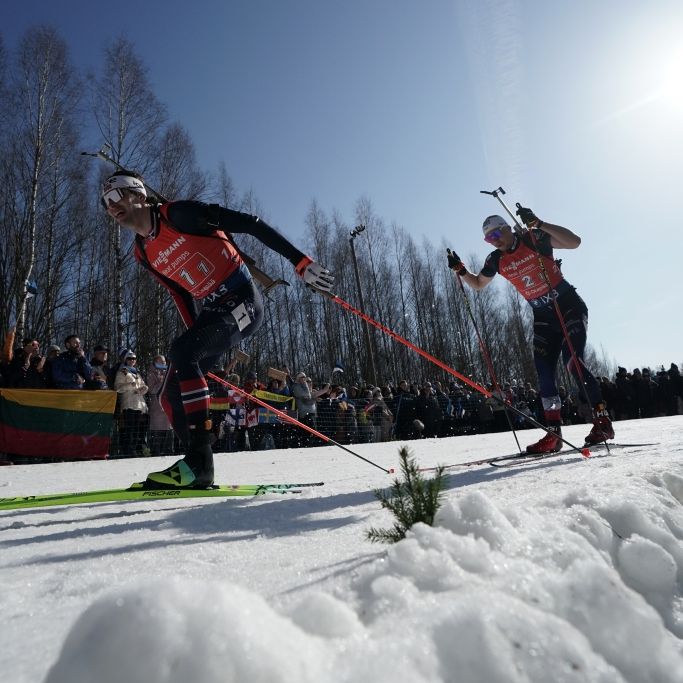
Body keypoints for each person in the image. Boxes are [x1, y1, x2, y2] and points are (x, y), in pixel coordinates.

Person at [102, 170, 334, 487]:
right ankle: (195, 464)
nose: (111, 205)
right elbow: (179, 293)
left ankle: (200, 466)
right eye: (106, 203)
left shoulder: (178, 214)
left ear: (140, 195)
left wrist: (300, 261)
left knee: (183, 353)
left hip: (243, 301)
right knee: (169, 395)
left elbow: (250, 224)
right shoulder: (142, 253)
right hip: (213, 314)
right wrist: (196, 343)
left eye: (116, 195)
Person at [447, 208, 614, 453]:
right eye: (489, 239)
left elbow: (575, 242)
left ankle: (602, 421)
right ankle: (553, 433)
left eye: (497, 234)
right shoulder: (495, 260)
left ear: (506, 228)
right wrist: (461, 270)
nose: (495, 241)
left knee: (573, 363)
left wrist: (541, 223)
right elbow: (479, 284)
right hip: (543, 317)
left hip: (567, 306)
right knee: (544, 373)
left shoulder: (533, 238)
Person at [114, 351, 150, 457]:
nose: (132, 360)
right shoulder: (122, 372)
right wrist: (130, 385)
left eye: (134, 358)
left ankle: (134, 450)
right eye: (130, 359)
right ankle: (127, 451)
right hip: (128, 404)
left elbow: (143, 386)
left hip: (139, 405)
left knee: (136, 429)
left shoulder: (137, 373)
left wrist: (144, 388)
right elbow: (117, 388)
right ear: (125, 360)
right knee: (129, 429)